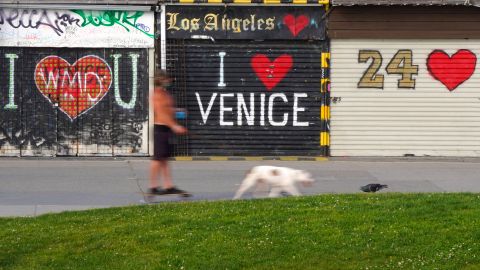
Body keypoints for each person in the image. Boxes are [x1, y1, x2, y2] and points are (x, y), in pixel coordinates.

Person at [149, 70, 189, 195]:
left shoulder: (165, 94)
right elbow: (161, 113)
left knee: (165, 158)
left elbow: (167, 110)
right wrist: (175, 126)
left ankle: (168, 185)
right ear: (160, 80)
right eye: (167, 79)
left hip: (166, 129)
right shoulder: (156, 95)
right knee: (157, 159)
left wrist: (177, 111)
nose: (169, 81)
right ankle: (153, 186)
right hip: (160, 129)